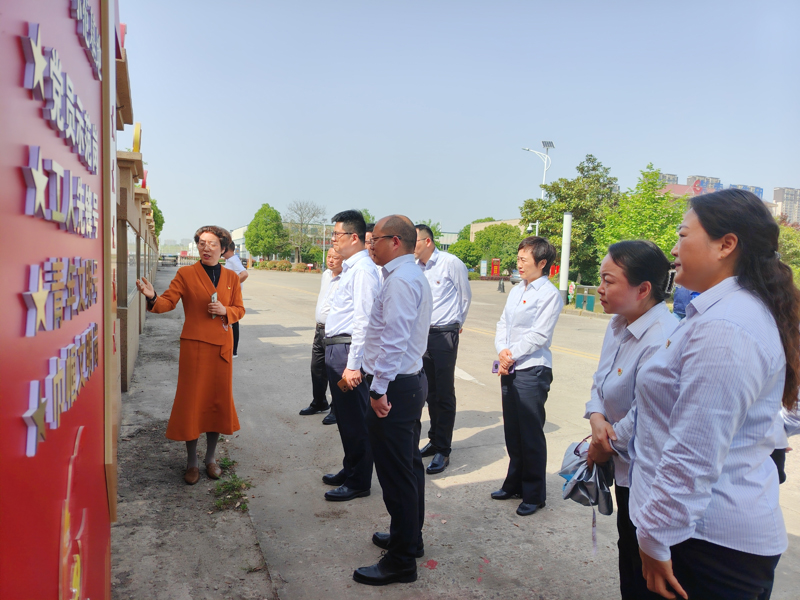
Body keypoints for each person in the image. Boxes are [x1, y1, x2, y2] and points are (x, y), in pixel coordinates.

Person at [628, 189, 800, 600]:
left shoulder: (727, 326)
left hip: (706, 544)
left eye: (683, 235)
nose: (673, 249)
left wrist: (654, 537)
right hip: (698, 535)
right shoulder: (717, 312)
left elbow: (693, 452)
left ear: (726, 245)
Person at [583, 240, 678, 599]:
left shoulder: (663, 338)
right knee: (629, 553)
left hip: (647, 472)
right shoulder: (618, 324)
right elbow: (601, 379)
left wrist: (604, 445)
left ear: (643, 289)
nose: (600, 288)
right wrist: (596, 418)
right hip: (620, 461)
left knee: (645, 567)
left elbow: (646, 411)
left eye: (608, 281)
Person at [353, 215, 432, 586]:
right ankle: (409, 538)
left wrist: (378, 389)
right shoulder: (407, 274)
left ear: (396, 242)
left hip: (395, 387)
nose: (371, 245)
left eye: (376, 240)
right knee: (409, 467)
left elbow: (394, 339)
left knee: (397, 476)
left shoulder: (400, 280)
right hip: (407, 382)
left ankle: (401, 561)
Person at [135, 226, 245, 485]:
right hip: (194, 348)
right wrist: (153, 297)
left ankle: (210, 458)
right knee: (192, 403)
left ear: (223, 248)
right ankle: (192, 462)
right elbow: (168, 302)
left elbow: (239, 309)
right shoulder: (186, 273)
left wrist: (225, 311)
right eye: (202, 243)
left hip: (221, 349)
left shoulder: (232, 277)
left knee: (216, 402)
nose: (206, 248)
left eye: (212, 244)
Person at [492, 237, 563, 516]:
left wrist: (511, 355)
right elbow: (503, 323)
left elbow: (539, 335)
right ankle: (514, 484)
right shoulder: (516, 290)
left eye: (524, 259)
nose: (519, 264)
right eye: (518, 258)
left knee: (530, 434)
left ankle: (534, 494)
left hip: (532, 368)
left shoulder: (549, 294)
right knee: (513, 431)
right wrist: (502, 351)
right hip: (510, 366)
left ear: (542, 263)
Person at [321, 210, 381, 501]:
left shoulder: (363, 271)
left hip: (348, 351)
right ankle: (351, 468)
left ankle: (359, 481)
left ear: (354, 237)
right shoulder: (350, 268)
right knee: (345, 418)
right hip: (338, 348)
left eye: (337, 235)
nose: (333, 240)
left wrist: (354, 364)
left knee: (355, 420)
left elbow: (363, 320)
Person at [414, 223, 472, 474]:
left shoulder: (450, 263)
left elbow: (465, 296)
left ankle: (443, 450)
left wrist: (457, 324)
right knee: (430, 392)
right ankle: (434, 440)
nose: (410, 247)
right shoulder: (416, 267)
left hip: (444, 333)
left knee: (445, 393)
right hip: (422, 335)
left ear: (427, 241)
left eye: (414, 242)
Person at [299, 248, 343, 425]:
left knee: (335, 373)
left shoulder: (347, 278)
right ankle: (319, 402)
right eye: (329, 256)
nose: (330, 260)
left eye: (335, 257)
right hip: (320, 330)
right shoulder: (326, 275)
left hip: (336, 333)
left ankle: (337, 409)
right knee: (317, 369)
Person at [221, 241, 248, 358]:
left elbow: (244, 274)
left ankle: (233, 351)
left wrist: (231, 286)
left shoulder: (233, 260)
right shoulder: (229, 260)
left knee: (233, 320)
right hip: (230, 293)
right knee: (231, 320)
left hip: (232, 294)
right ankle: (232, 349)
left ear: (226, 249)